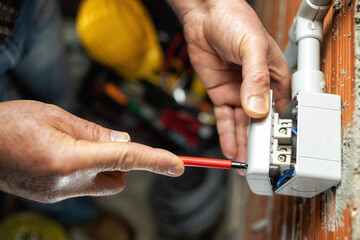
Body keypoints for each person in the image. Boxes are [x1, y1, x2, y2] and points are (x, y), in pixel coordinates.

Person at [0, 0, 290, 203]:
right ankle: (79, 216)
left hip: (23, 10)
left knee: (59, 103)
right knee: (49, 172)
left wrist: (202, 9)